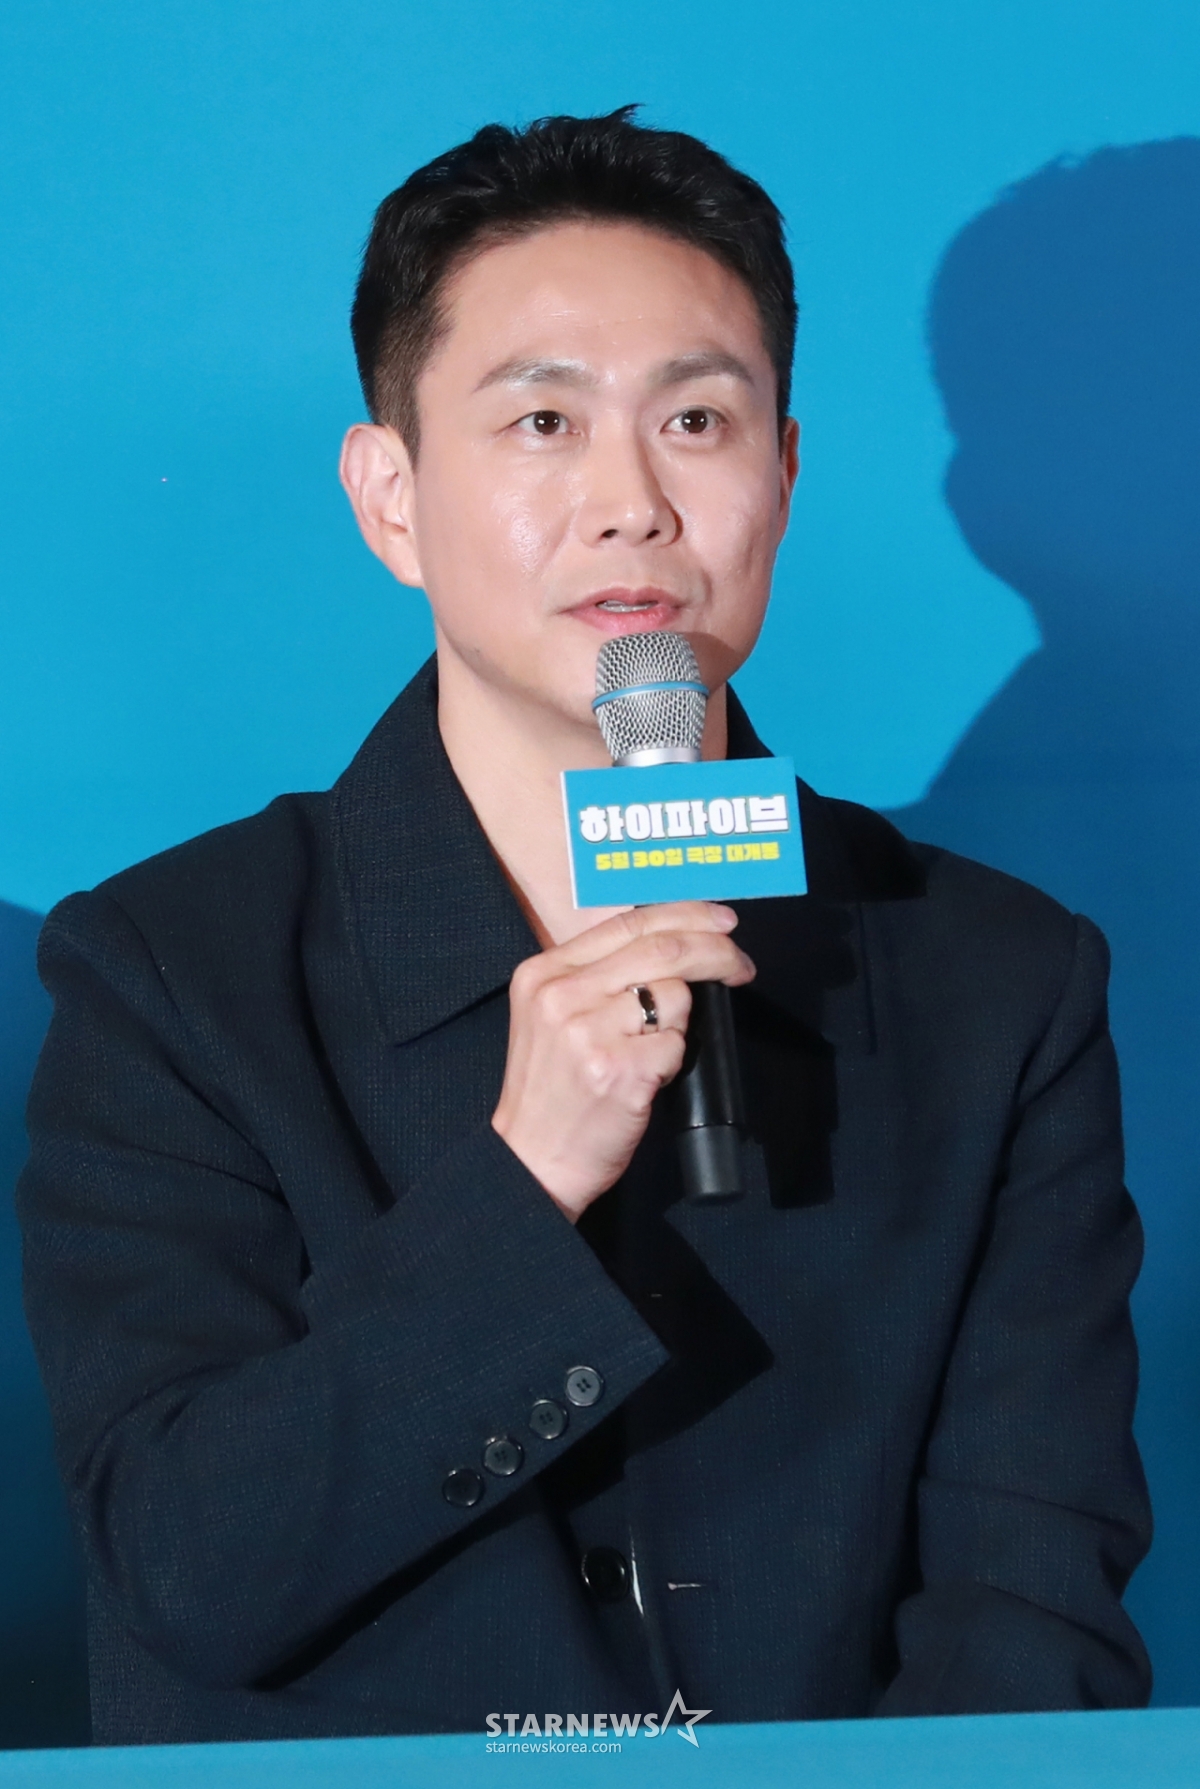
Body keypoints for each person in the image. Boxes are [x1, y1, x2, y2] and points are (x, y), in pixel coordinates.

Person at [17, 109, 1151, 1745]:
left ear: (783, 474)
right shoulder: (174, 971)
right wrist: (524, 1181)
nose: (632, 504)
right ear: (392, 498)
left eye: (696, 419)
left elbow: (1029, 1605)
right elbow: (187, 1567)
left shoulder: (998, 978)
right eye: (543, 421)